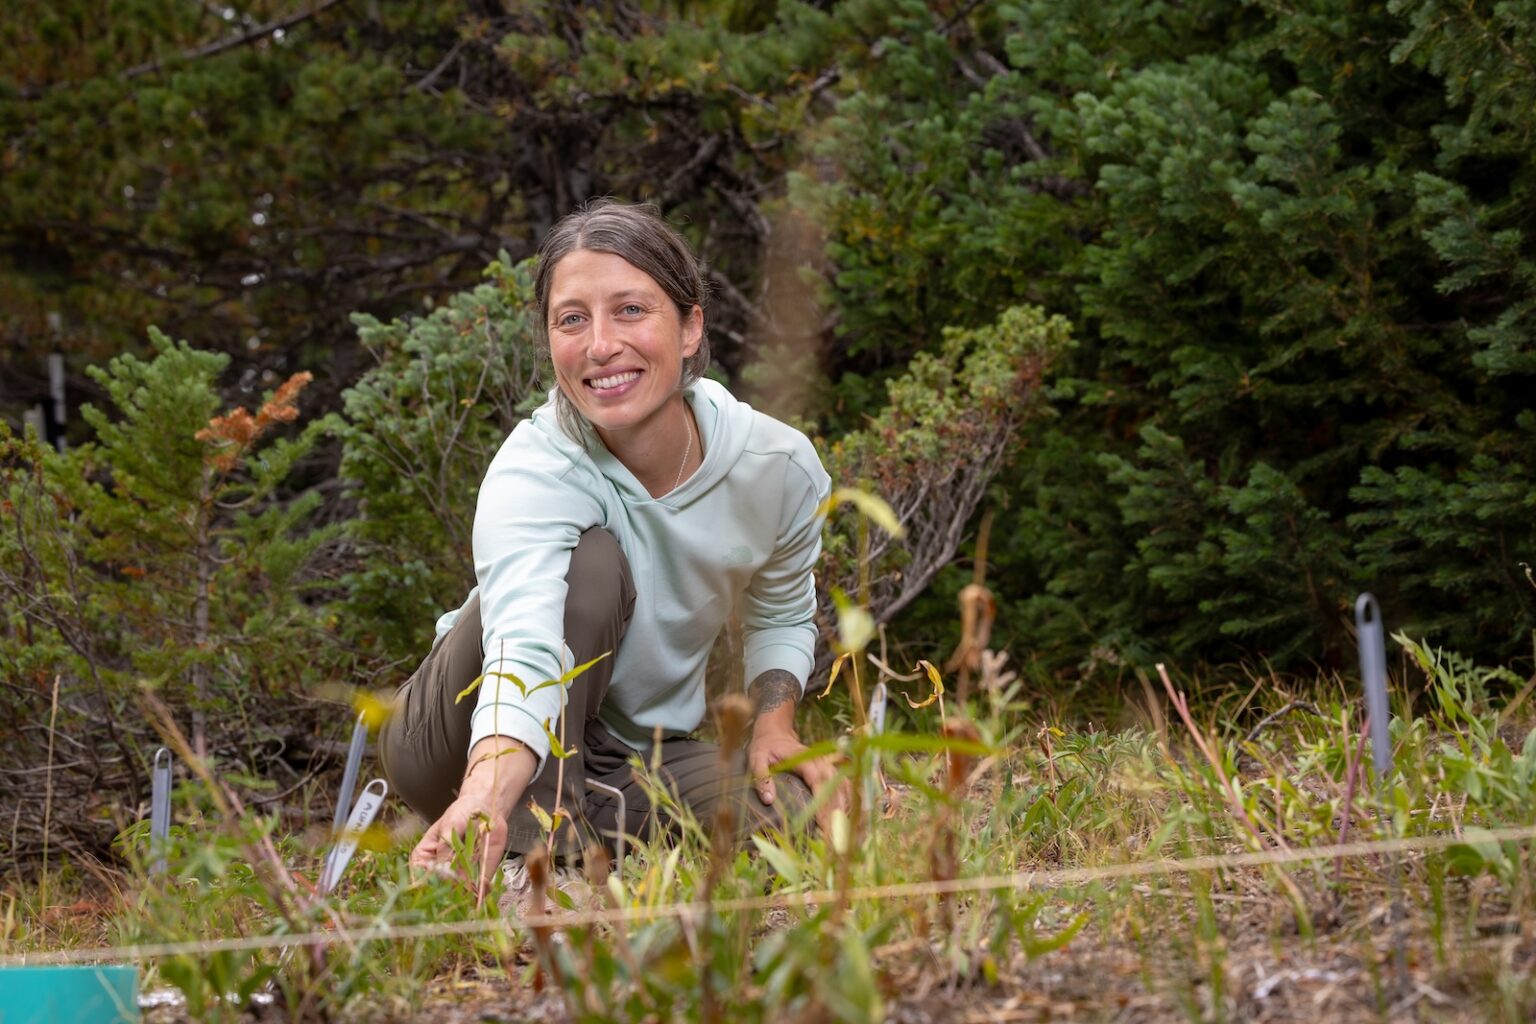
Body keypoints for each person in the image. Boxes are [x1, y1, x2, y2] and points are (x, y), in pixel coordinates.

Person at [378, 199, 842, 894]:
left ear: (690, 326)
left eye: (630, 310)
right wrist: (488, 782)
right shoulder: (538, 465)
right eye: (573, 319)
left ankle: (574, 826)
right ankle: (517, 844)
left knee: (804, 817)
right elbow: (525, 639)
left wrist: (775, 728)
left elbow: (780, 610)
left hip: (625, 752)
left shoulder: (776, 466)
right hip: (463, 731)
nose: (600, 345)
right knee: (588, 564)